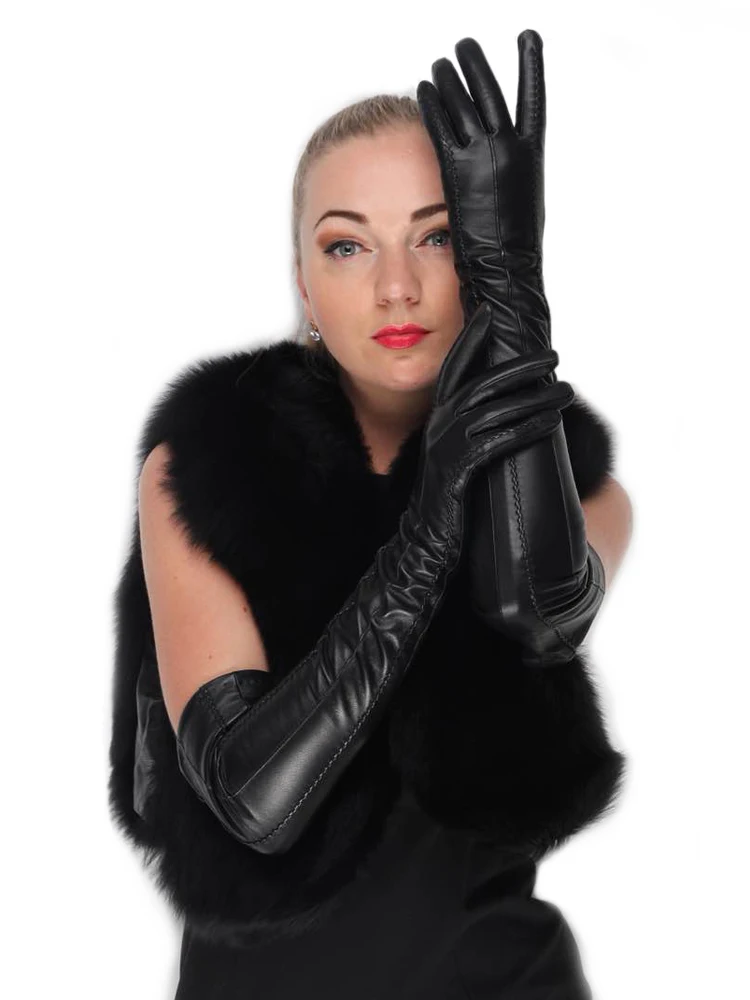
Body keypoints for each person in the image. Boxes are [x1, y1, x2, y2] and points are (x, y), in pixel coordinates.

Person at [109, 33, 633, 999]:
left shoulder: (579, 480)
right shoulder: (207, 464)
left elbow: (536, 609)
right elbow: (253, 795)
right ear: (304, 284)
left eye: (439, 237)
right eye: (348, 246)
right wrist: (430, 519)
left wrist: (514, 308)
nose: (398, 286)